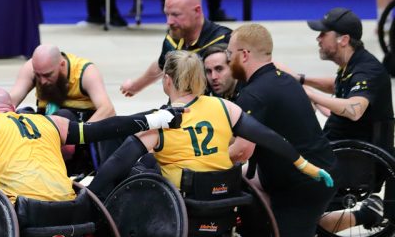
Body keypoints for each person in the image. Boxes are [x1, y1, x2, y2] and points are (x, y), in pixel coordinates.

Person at [225, 25, 395, 237]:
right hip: (318, 171)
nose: (228, 60)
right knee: (251, 184)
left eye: (229, 54)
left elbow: (241, 153)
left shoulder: (255, 94)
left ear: (245, 54)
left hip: (302, 185)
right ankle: (355, 219)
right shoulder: (284, 80)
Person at [90, 50, 332, 194]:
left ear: (167, 80)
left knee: (137, 167)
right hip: (222, 190)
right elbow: (270, 138)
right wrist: (306, 166)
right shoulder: (225, 107)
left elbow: (116, 159)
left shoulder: (160, 119)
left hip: (183, 194)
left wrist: (89, 195)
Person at [0, 87, 183, 205]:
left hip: (23, 209)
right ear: (12, 108)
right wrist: (154, 117)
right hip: (67, 206)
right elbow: (104, 128)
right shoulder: (49, 122)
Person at [301, 8, 394, 150]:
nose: (318, 38)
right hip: (340, 146)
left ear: (343, 40)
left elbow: (354, 110)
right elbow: (336, 85)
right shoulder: (351, 63)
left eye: (323, 34)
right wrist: (301, 80)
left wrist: (310, 94)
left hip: (356, 158)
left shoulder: (367, 70)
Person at [120, 0, 231, 97]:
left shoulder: (223, 41)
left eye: (175, 14)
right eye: (167, 14)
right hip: (176, 108)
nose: (169, 21)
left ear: (197, 11)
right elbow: (162, 64)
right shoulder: (175, 35)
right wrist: (135, 86)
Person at [9, 44, 115, 121]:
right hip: (46, 125)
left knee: (62, 116)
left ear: (62, 65)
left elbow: (107, 110)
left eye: (48, 75)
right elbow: (10, 101)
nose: (42, 81)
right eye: (38, 75)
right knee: (21, 116)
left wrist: (81, 135)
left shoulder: (86, 72)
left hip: (78, 127)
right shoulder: (32, 68)